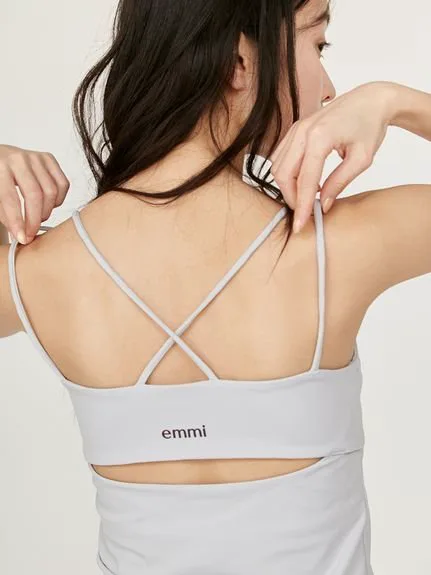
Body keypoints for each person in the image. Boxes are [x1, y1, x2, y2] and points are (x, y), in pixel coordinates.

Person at [1, 0, 431, 573]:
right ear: (238, 62)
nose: (331, 90)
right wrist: (394, 102)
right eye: (317, 44)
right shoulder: (335, 250)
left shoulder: (40, 272)